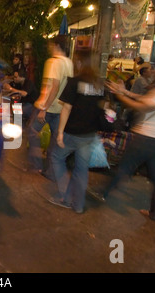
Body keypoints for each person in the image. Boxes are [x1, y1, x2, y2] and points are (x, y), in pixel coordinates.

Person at [90, 55, 155, 225]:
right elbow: (144, 99)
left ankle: (102, 192)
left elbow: (141, 106)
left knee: (125, 166)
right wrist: (125, 92)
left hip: (149, 138)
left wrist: (121, 97)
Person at [46, 50, 105, 213]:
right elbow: (102, 108)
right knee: (81, 168)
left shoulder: (75, 82)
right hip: (89, 134)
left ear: (79, 63)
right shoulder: (99, 84)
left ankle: (65, 196)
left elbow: (66, 108)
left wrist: (59, 132)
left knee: (57, 157)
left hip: (73, 132)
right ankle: (78, 205)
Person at [28, 35, 74, 177]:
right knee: (55, 140)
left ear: (56, 46)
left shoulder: (54, 62)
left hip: (48, 107)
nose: (49, 48)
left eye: (51, 45)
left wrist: (44, 109)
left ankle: (36, 166)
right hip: (61, 109)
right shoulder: (69, 63)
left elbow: (54, 87)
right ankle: (50, 171)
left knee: (31, 132)